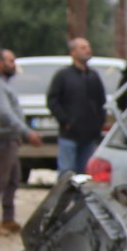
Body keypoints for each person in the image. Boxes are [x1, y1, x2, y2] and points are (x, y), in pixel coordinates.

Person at [0, 48, 39, 235]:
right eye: (10, 61)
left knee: (13, 180)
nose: (14, 65)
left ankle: (8, 218)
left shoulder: (3, 84)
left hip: (9, 139)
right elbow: (4, 114)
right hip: (0, 140)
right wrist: (26, 132)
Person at [46, 36, 108, 176]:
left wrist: (99, 122)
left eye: (88, 47)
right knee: (67, 172)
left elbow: (101, 102)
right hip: (69, 134)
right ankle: (64, 198)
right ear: (73, 52)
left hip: (89, 135)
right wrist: (66, 120)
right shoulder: (63, 75)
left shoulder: (93, 76)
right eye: (83, 48)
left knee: (85, 174)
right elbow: (52, 101)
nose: (87, 50)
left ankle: (81, 199)